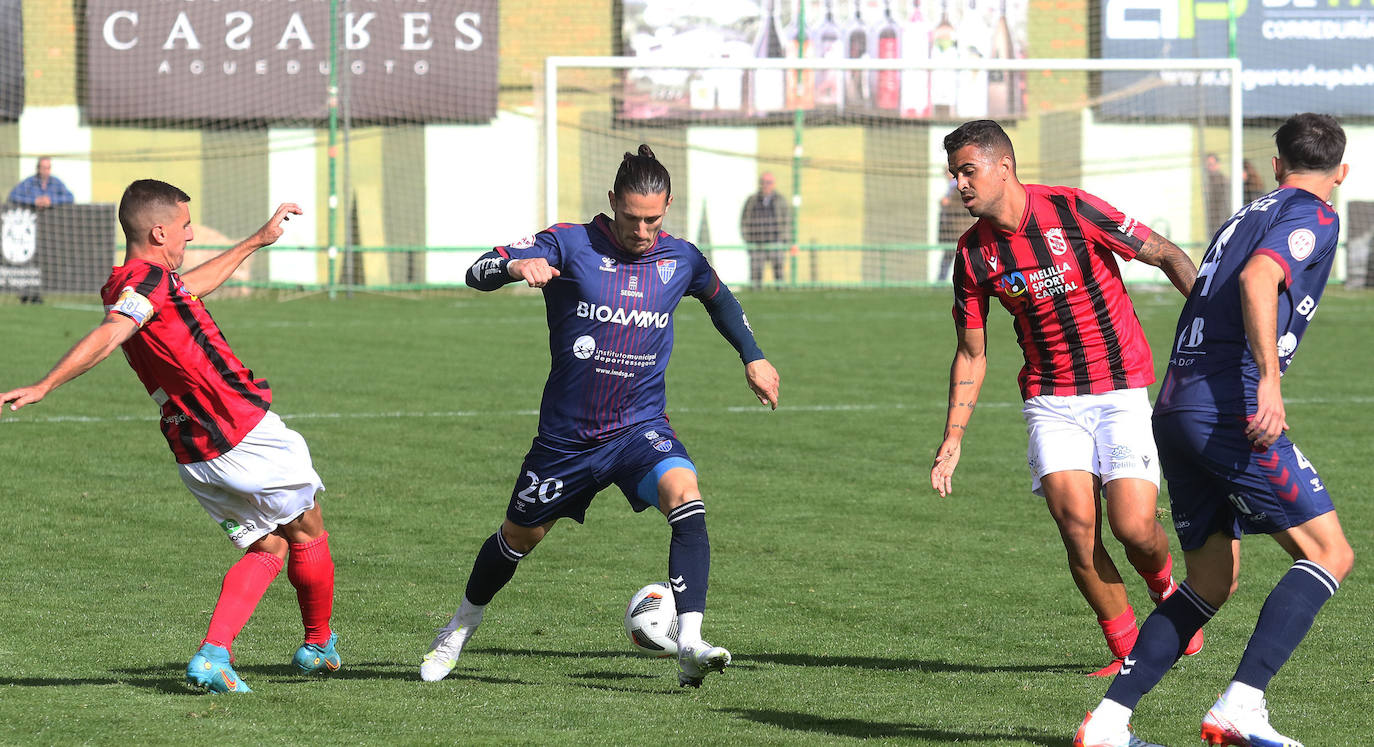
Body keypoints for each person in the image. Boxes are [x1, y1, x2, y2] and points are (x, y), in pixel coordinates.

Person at [421, 145, 780, 688]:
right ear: (612, 202)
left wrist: (752, 354)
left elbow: (721, 300)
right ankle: (457, 629)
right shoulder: (568, 242)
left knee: (686, 494)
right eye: (632, 217)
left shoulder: (681, 258)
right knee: (517, 539)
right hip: (568, 440)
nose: (642, 229)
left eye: (653, 219)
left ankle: (689, 640)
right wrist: (516, 265)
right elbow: (476, 271)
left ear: (668, 207)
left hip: (640, 427)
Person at [1074, 114, 1353, 747]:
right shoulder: (1315, 215)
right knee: (1330, 552)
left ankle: (1109, 723)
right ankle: (1241, 706)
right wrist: (1269, 383)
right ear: (1342, 171)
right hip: (1230, 409)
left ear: (1277, 164)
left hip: (1176, 407)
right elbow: (1260, 279)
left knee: (1211, 580)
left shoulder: (1241, 217)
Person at [0, 179, 339, 694]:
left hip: (193, 447)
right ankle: (318, 645)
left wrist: (255, 240)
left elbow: (187, 288)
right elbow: (112, 333)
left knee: (268, 544)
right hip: (238, 427)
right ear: (159, 231)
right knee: (308, 529)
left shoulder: (133, 281)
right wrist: (47, 383)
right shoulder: (144, 288)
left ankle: (214, 655)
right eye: (184, 228)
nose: (189, 237)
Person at [929, 120, 1202, 678]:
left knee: (1133, 528)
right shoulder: (974, 254)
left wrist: (1211, 326)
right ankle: (1129, 653)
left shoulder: (1073, 209)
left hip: (1120, 388)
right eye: (954, 173)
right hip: (1051, 400)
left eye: (967, 170)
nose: (959, 184)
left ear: (1003, 166)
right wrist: (953, 438)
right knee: (1078, 527)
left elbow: (1167, 254)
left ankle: (1168, 591)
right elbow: (972, 353)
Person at [739, 171, 792, 288]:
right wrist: (748, 239)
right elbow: (744, 221)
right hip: (757, 242)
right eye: (763, 182)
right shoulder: (752, 200)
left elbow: (787, 221)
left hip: (776, 241)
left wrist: (786, 240)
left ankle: (781, 292)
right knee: (756, 273)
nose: (765, 185)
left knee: (779, 271)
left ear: (773, 184)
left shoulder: (780, 200)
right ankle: (755, 294)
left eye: (768, 182)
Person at [8, 156, 74, 209]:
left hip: (52, 220)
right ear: (38, 168)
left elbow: (70, 197)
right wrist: (34, 201)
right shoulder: (29, 182)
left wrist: (51, 201)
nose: (46, 171)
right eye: (44, 168)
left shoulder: (56, 182)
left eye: (48, 168)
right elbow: (13, 196)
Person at [1204, 152, 1230, 231]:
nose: (1209, 168)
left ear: (1218, 165)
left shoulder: (1223, 181)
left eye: (1211, 164)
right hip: (1212, 223)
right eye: (1207, 165)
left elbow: (1225, 206)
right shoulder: (1208, 182)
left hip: (1221, 224)